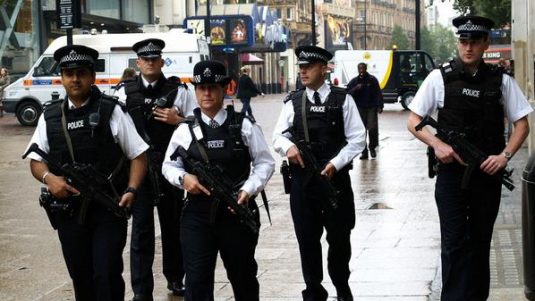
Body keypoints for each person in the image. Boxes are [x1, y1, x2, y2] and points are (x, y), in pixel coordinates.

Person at [407, 16, 532, 300]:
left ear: (485, 44)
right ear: (458, 43)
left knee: (479, 241)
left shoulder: (501, 81)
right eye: (463, 41)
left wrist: (504, 156)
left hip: (487, 175)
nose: (468, 48)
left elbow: (522, 124)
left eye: (475, 42)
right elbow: (413, 119)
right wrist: (437, 144)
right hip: (451, 175)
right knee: (453, 242)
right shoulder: (440, 77)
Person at [24, 45, 148, 301]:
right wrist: (50, 179)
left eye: (81, 72)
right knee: (81, 277)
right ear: (62, 77)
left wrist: (131, 190)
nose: (75, 79)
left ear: (92, 76)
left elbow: (138, 154)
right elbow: (35, 160)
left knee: (107, 273)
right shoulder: (50, 115)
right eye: (69, 73)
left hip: (107, 207)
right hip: (68, 211)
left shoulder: (111, 110)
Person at [162, 60, 275, 300]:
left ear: (225, 89)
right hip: (197, 215)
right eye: (201, 88)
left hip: (236, 212)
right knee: (197, 280)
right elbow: (169, 166)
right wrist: (184, 179)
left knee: (243, 276)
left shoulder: (243, 125)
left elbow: (265, 162)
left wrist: (248, 189)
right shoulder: (185, 129)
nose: (206, 93)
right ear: (195, 91)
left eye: (212, 87)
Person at [272, 45, 366, 301]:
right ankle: (313, 290)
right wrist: (289, 147)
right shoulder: (293, 101)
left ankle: (341, 284)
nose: (303, 71)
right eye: (300, 67)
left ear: (324, 68)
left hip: (335, 179)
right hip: (303, 180)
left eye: (309, 67)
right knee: (307, 238)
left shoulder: (342, 98)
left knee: (339, 236)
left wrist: (336, 163)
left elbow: (358, 139)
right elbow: (277, 136)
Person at [114, 38, 196, 301]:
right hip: (139, 171)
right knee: (141, 230)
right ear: (137, 63)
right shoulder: (124, 92)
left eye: (154, 59)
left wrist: (178, 119)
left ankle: (175, 278)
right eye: (145, 59)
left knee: (173, 226)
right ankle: (141, 289)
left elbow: (198, 123)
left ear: (162, 61)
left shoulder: (179, 91)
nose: (150, 63)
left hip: (169, 169)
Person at [346, 62, 383, 159]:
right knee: (362, 131)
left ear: (366, 69)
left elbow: (378, 93)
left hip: (371, 107)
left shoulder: (372, 79)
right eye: (360, 68)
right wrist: (355, 89)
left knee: (372, 128)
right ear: (358, 69)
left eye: (363, 68)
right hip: (359, 108)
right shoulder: (354, 81)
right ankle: (364, 151)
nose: (361, 70)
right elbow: (347, 93)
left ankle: (372, 147)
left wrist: (380, 106)